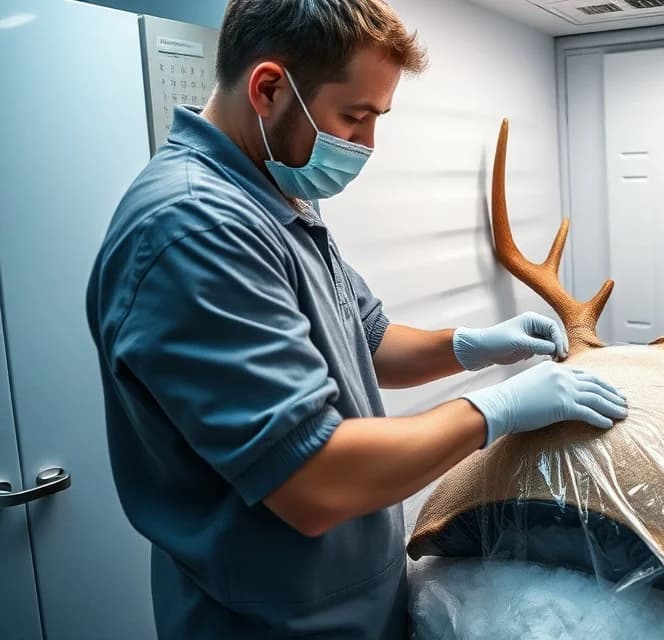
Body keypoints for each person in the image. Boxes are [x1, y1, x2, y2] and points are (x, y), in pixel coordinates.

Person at [85, 1, 628, 637]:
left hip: (351, 604)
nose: (367, 145)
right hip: (268, 622)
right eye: (355, 116)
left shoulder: (280, 194)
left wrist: (472, 347)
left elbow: (366, 340)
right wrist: (496, 410)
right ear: (268, 89)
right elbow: (313, 480)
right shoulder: (195, 229)